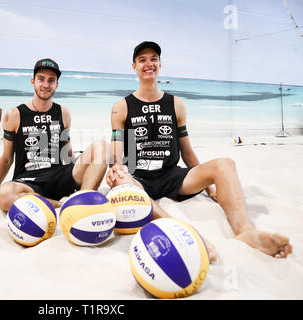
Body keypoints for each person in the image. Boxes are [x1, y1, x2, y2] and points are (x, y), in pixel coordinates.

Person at [106, 41, 293, 259]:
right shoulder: (122, 106)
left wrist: (210, 188)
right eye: (142, 60)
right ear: (134, 67)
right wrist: (116, 167)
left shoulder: (176, 104)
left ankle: (246, 232)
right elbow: (117, 151)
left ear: (160, 64)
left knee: (225, 164)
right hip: (139, 178)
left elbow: (186, 151)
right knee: (122, 179)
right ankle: (184, 234)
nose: (149, 64)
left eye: (154, 59)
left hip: (172, 176)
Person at [0, 58, 110, 211]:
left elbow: (67, 152)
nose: (45, 85)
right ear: (33, 81)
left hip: (60, 176)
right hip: (29, 182)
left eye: (51, 80)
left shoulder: (63, 112)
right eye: (41, 79)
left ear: (56, 85)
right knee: (3, 196)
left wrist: (85, 166)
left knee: (102, 147)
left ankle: (83, 202)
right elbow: (6, 159)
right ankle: (63, 206)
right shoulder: (14, 115)